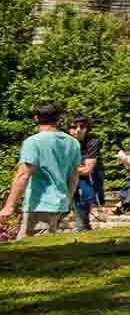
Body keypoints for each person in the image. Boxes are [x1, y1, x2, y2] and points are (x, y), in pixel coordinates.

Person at [0, 101, 83, 238]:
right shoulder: (73, 143)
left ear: (36, 118)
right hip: (60, 204)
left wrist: (9, 206)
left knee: (30, 253)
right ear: (58, 119)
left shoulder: (33, 142)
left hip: (40, 205)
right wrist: (67, 200)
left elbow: (23, 175)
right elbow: (74, 177)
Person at [67, 114, 104, 231]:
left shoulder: (92, 143)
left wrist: (65, 168)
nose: (78, 130)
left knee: (82, 221)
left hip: (85, 186)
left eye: (82, 126)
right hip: (66, 186)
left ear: (87, 128)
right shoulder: (65, 143)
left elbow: (87, 170)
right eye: (73, 127)